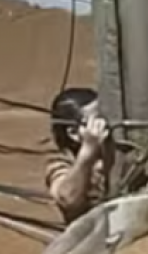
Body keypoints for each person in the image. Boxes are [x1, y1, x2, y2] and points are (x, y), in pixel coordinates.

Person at [45, 87, 112, 224]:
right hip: (88, 235)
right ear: (74, 133)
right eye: (96, 120)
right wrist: (88, 152)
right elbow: (68, 199)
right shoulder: (59, 163)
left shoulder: (115, 149)